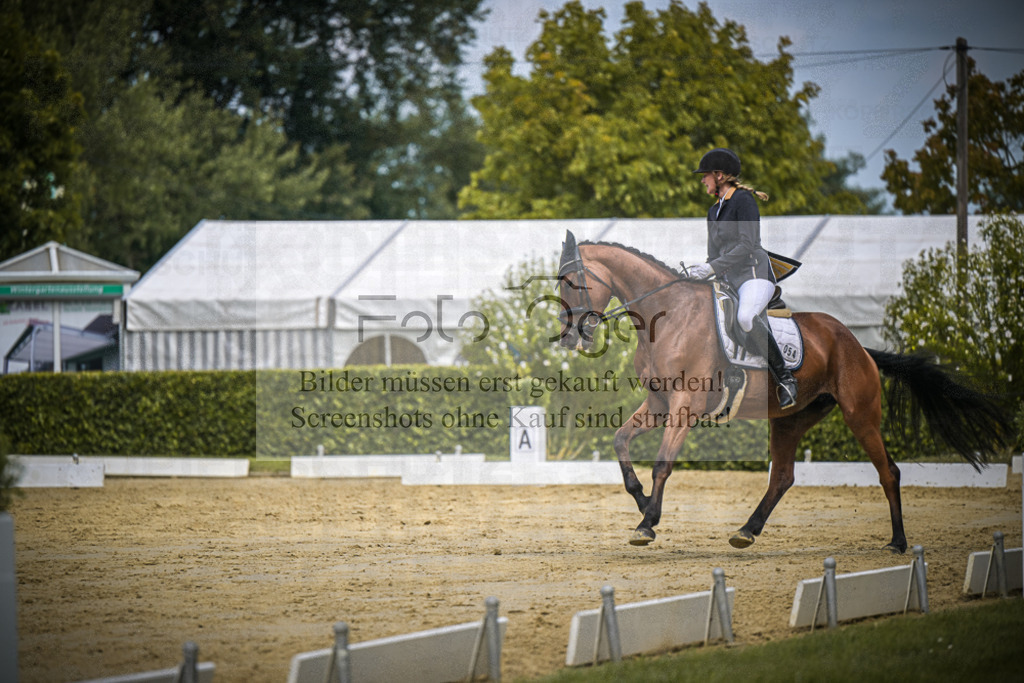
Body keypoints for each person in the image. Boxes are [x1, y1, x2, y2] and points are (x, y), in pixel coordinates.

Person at [687, 148, 798, 410]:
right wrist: (700, 272)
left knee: (746, 317)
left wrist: (712, 267)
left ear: (720, 175)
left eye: (705, 176)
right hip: (728, 280)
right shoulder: (713, 212)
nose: (702, 180)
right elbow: (713, 254)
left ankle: (785, 379)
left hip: (754, 275)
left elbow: (748, 245)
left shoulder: (744, 201)